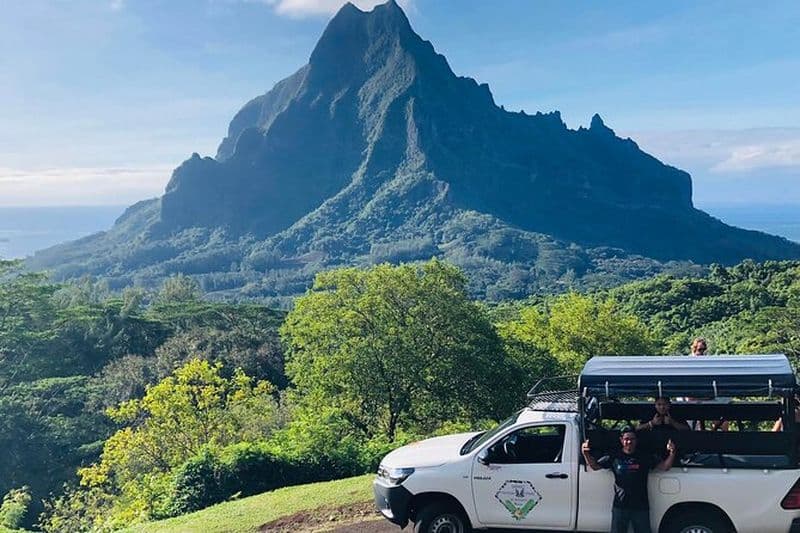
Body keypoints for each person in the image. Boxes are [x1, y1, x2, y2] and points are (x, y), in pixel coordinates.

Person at [582, 428, 677, 533]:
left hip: (641, 506)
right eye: (626, 439)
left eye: (632, 439)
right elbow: (595, 466)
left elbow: (664, 467)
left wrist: (672, 453)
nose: (629, 442)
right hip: (620, 506)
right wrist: (585, 453)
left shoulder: (644, 456)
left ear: (636, 441)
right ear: (621, 440)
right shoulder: (614, 456)